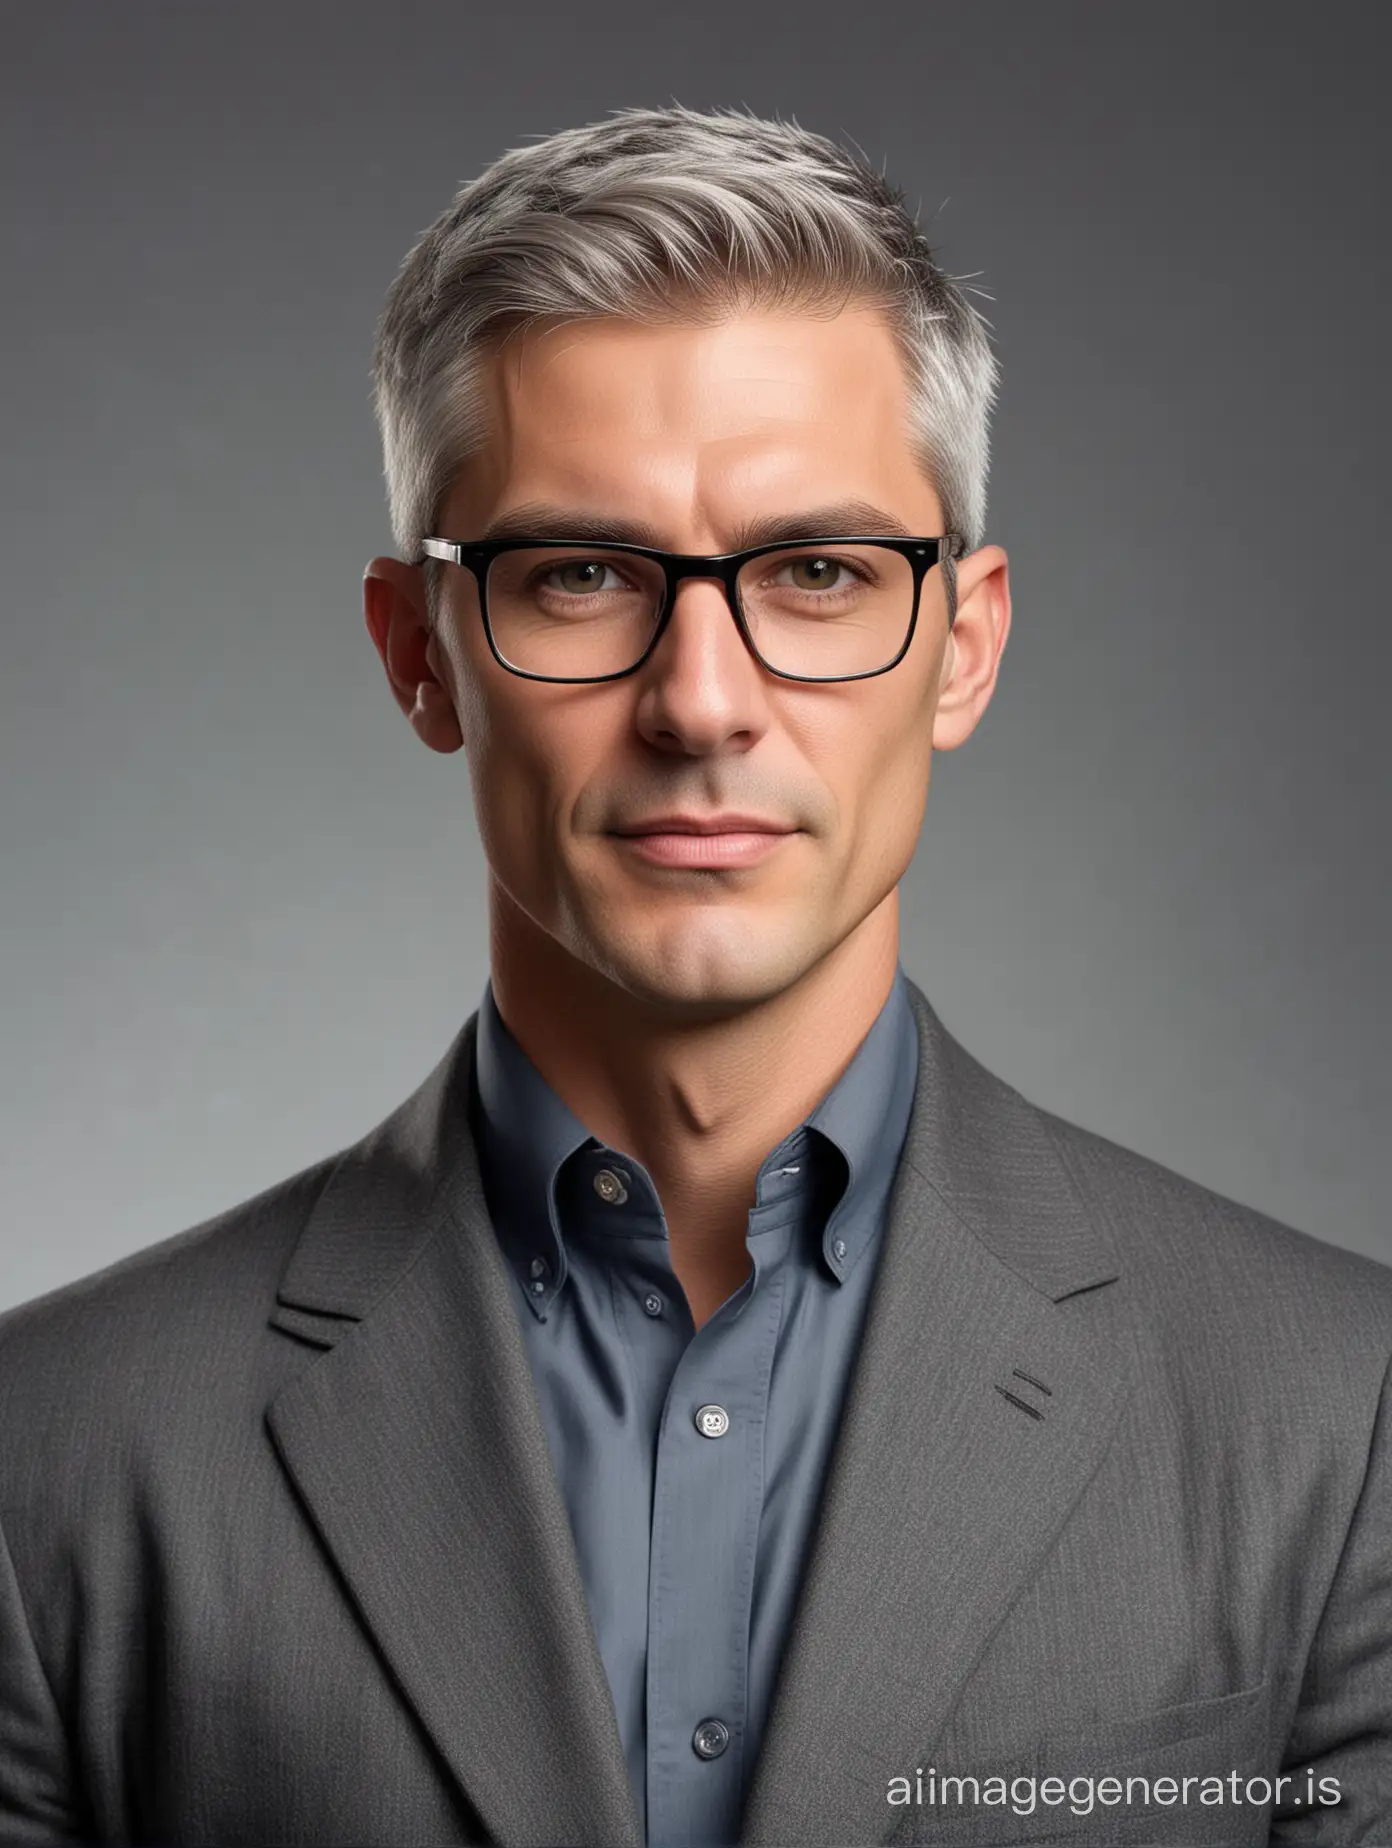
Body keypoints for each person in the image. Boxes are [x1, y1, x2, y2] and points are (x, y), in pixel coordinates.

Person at [0, 103, 1387, 1848]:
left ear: (961, 648)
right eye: (582, 575)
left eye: (817, 573)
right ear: (420, 658)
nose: (703, 698)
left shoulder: (1342, 1420)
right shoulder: (45, 1462)